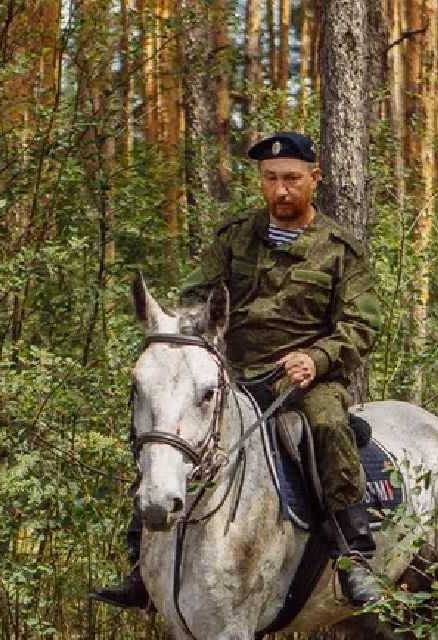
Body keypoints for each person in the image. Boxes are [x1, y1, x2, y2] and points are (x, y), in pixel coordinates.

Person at [93, 130, 385, 611]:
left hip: (305, 379)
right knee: (167, 426)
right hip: (234, 372)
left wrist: (317, 358)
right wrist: (184, 334)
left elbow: (361, 323)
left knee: (327, 427)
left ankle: (356, 552)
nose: (281, 190)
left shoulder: (339, 249)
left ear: (314, 179)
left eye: (291, 178)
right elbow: (195, 293)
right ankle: (140, 562)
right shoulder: (234, 237)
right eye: (270, 179)